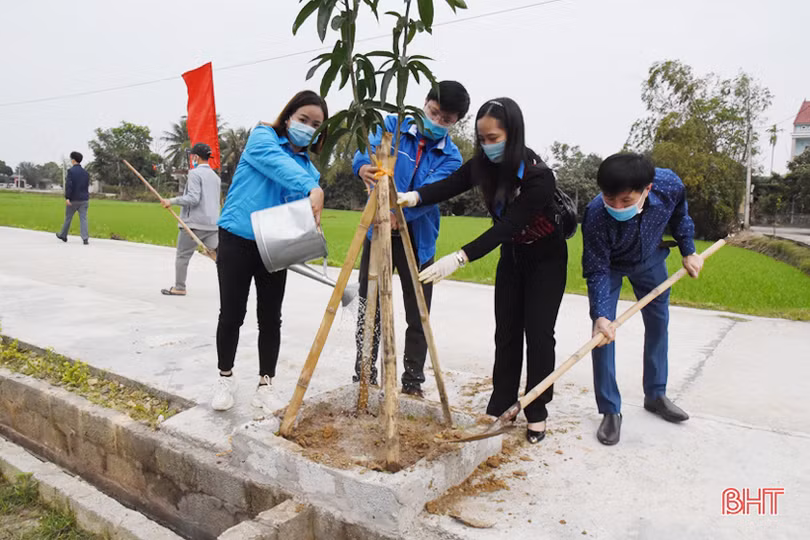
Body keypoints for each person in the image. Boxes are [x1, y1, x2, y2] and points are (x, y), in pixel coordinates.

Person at [398, 98, 568, 444]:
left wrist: (459, 258)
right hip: (514, 257)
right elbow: (448, 186)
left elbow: (506, 226)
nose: (488, 145)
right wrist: (413, 197)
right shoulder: (483, 166)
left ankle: (536, 409)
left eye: (494, 137)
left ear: (513, 134)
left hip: (546, 260)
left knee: (538, 335)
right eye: (483, 138)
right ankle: (502, 403)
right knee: (505, 332)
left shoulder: (538, 178)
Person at [210, 90, 328, 412]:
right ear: (288, 116)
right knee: (231, 313)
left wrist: (310, 224)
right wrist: (312, 188)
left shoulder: (309, 170)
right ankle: (225, 376)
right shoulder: (261, 138)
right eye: (303, 119)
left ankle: (266, 383)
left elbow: (298, 210)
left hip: (275, 245)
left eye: (315, 124)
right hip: (237, 236)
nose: (307, 127)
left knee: (271, 317)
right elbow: (277, 166)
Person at [352, 80, 470, 398]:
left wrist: (398, 215)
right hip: (376, 232)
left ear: (456, 122)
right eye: (433, 112)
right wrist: (362, 167)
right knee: (369, 305)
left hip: (418, 240)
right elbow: (365, 154)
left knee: (418, 311)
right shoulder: (392, 124)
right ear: (425, 103)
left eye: (446, 120)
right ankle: (364, 371)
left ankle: (413, 379)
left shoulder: (452, 158)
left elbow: (430, 195)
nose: (437, 122)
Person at [581, 153, 703, 446]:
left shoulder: (669, 185)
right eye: (610, 199)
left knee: (659, 323)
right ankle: (610, 410)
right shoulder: (596, 214)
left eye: (625, 201)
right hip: (610, 268)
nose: (617, 207)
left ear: (646, 189)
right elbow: (597, 267)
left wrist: (688, 250)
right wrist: (599, 315)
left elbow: (680, 216)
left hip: (650, 260)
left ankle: (656, 394)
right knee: (603, 334)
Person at [159, 143, 221, 296]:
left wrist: (171, 201)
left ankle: (179, 287)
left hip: (193, 224)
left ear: (196, 157)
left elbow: (193, 198)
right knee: (220, 257)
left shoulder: (194, 173)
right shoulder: (215, 176)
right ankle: (234, 285)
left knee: (183, 255)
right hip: (213, 224)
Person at [56, 151, 90, 244]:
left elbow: (69, 186)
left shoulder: (71, 172)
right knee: (83, 219)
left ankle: (63, 235)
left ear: (73, 160)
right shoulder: (85, 173)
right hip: (84, 199)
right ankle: (85, 238)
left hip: (73, 199)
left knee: (68, 218)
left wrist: (67, 198)